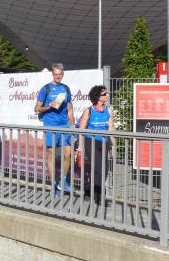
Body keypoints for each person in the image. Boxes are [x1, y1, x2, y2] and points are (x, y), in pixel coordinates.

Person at [35, 63, 75, 196]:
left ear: (63, 74)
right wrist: (49, 106)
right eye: (55, 74)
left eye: (60, 74)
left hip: (65, 126)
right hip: (50, 126)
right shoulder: (45, 89)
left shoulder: (66, 88)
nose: (58, 77)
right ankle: (53, 185)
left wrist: (73, 127)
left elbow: (70, 109)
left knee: (68, 155)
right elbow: (37, 109)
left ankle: (62, 181)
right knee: (51, 156)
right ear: (52, 74)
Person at [78, 85, 116, 205]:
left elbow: (111, 128)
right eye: (104, 94)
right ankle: (100, 197)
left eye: (107, 93)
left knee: (103, 170)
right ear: (98, 96)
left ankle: (88, 190)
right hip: (91, 142)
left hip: (104, 142)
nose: (107, 95)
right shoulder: (89, 111)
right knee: (100, 169)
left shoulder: (109, 110)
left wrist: (114, 145)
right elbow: (81, 130)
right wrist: (80, 147)